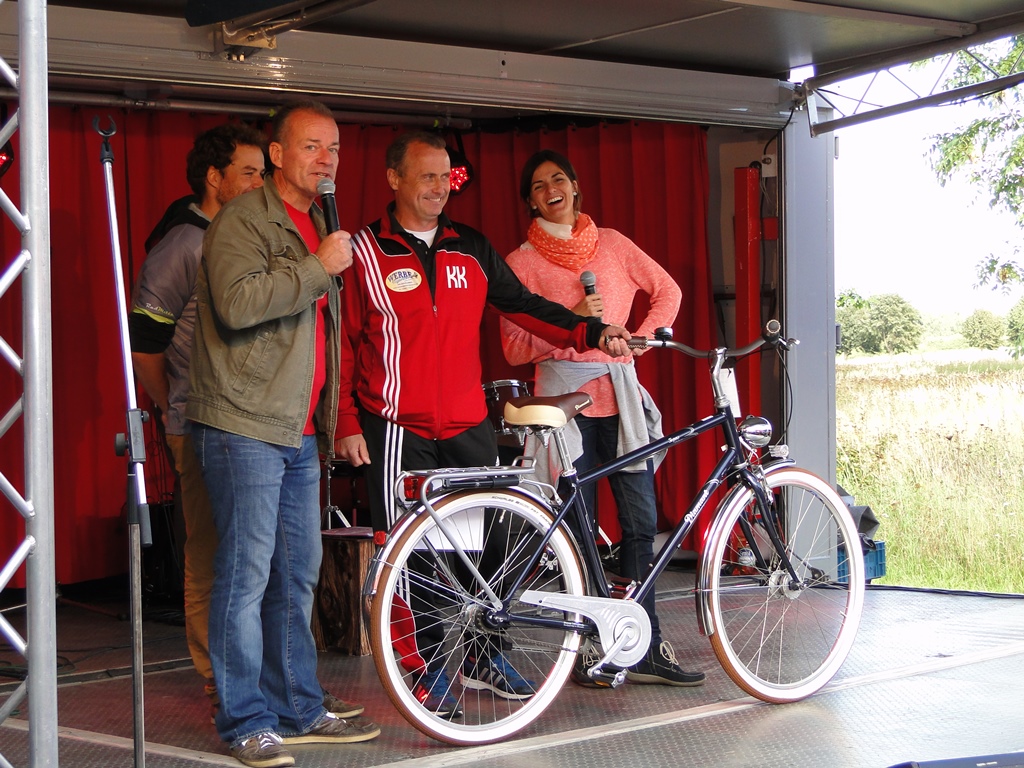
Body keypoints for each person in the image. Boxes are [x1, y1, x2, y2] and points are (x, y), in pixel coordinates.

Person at [334, 131, 632, 717]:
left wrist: (590, 332)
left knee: (485, 550)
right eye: (426, 177)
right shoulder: (363, 251)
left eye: (445, 178)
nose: (438, 189)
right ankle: (422, 674)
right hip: (397, 428)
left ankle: (481, 652)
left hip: (468, 425)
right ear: (393, 179)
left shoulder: (469, 246)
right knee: (415, 562)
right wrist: (345, 419)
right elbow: (342, 343)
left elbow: (522, 305)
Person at [186, 100, 380, 768]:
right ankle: (246, 721)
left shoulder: (320, 223)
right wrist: (319, 266)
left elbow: (329, 336)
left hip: (299, 432)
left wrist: (339, 422)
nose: (325, 160)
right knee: (244, 577)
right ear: (276, 155)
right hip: (242, 423)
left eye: (333, 148)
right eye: (310, 147)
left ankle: (297, 707)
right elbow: (239, 306)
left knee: (296, 577)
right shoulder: (244, 219)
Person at [500, 148, 706, 688]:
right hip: (565, 407)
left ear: (576, 188)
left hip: (621, 402)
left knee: (640, 525)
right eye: (540, 184)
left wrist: (646, 338)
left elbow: (669, 291)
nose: (552, 190)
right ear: (529, 199)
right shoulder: (520, 262)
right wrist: (571, 329)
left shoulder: (612, 244)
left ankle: (645, 642)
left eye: (560, 179)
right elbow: (513, 347)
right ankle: (592, 646)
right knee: (579, 530)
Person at [129, 122, 267, 711]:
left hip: (250, 424)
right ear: (214, 178)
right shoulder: (185, 243)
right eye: (250, 173)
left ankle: (255, 675)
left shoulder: (244, 235)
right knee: (210, 554)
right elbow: (144, 347)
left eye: (265, 172)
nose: (262, 184)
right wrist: (172, 410)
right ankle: (218, 678)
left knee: (253, 554)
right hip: (197, 422)